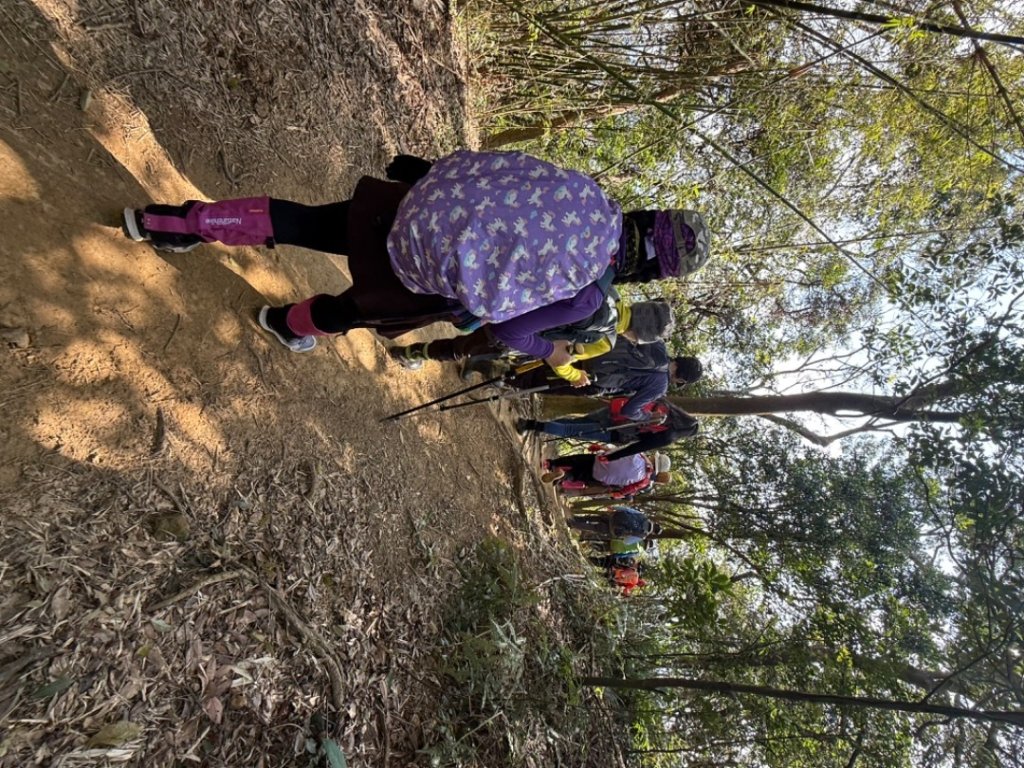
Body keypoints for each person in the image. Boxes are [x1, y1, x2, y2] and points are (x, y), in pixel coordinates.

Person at [121, 150, 711, 378]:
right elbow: (507, 329)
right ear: (650, 271)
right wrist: (548, 353)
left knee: (299, 221)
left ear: (643, 216)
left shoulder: (584, 192)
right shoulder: (587, 294)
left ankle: (175, 224)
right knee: (354, 309)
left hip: (404, 206)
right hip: (413, 271)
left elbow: (497, 174)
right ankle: (286, 324)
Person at [387, 298, 674, 389]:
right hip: (522, 337)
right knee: (461, 348)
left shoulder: (608, 293)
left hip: (512, 304)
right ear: (637, 334)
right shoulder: (605, 339)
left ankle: (395, 319)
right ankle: (410, 352)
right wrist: (577, 377)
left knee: (456, 313)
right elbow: (561, 359)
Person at [518, 397, 699, 458]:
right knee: (572, 431)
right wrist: (613, 456)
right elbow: (639, 446)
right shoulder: (668, 435)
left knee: (576, 423)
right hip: (616, 432)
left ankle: (531, 424)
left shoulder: (665, 405)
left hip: (616, 411)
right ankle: (530, 425)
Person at [542, 446, 671, 499]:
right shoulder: (645, 481)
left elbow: (617, 450)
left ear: (655, 459)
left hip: (601, 461)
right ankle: (563, 476)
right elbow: (629, 489)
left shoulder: (640, 454)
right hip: (603, 477)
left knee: (575, 461)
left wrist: (600, 448)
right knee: (577, 476)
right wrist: (617, 494)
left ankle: (551, 464)